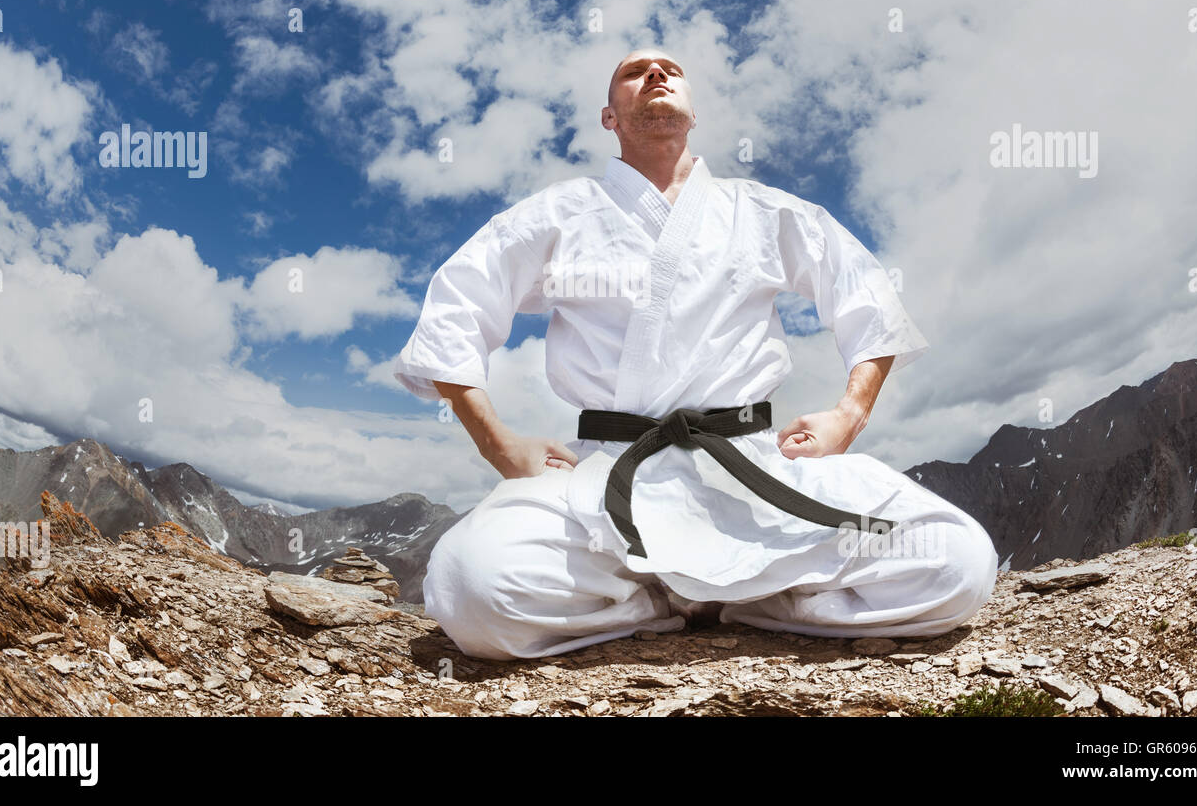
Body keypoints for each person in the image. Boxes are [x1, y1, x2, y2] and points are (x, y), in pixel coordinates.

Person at [393, 48, 998, 660]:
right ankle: (657, 601)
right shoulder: (559, 214)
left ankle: (741, 598)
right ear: (610, 117)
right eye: (634, 72)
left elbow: (865, 294)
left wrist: (850, 414)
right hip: (607, 472)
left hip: (751, 469)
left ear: (692, 109)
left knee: (957, 563)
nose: (655, 74)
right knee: (473, 585)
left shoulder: (761, 211)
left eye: (670, 70)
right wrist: (497, 443)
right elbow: (457, 306)